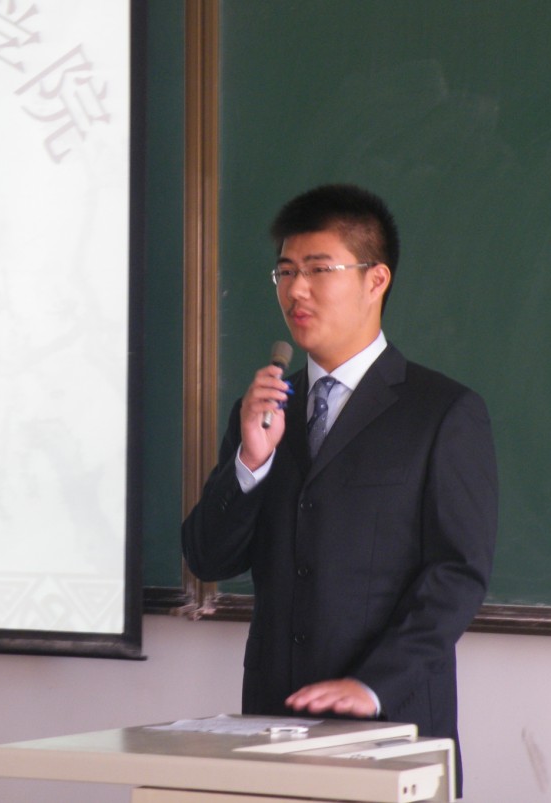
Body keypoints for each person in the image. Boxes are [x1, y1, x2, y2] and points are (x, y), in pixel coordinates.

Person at [181, 184, 497, 796]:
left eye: (318, 270)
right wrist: (250, 461)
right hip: (274, 727)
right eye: (285, 271)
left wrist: (372, 684)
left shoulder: (441, 412)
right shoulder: (264, 412)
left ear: (376, 280)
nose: (296, 290)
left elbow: (457, 574)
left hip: (394, 728)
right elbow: (208, 558)